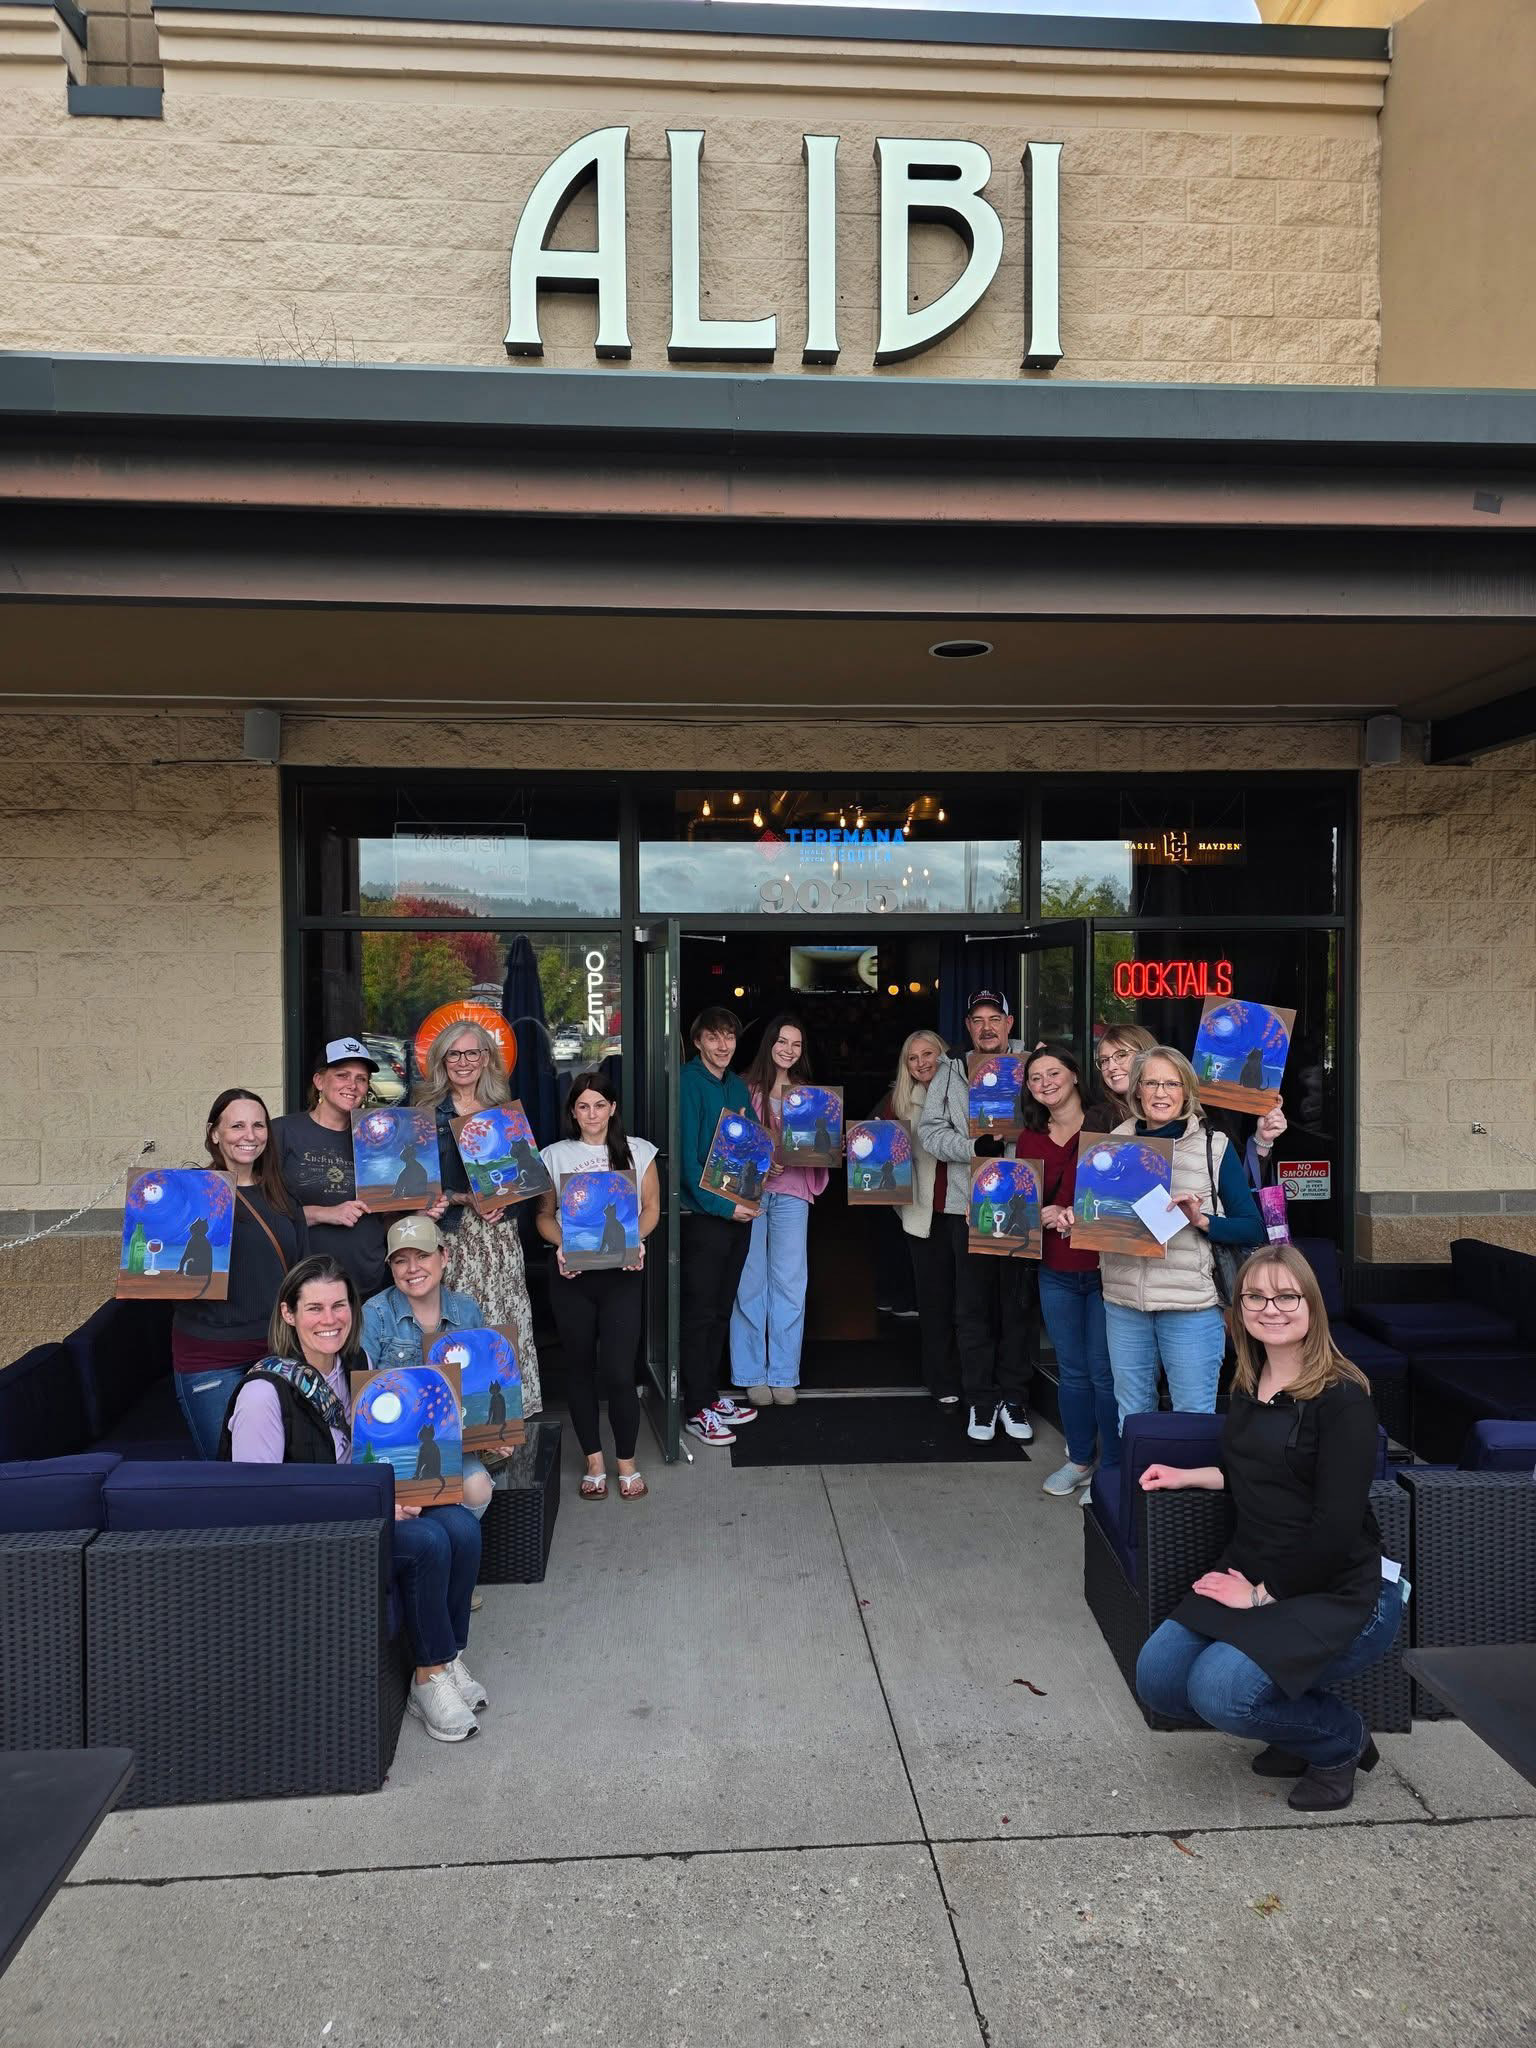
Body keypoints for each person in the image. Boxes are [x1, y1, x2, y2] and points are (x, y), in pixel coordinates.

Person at [1135, 1243, 1403, 1812]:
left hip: (1333, 1587)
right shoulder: (1248, 1382)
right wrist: (1191, 1476)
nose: (1270, 1308)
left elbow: (1336, 1525)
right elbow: (1255, 1469)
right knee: (1159, 1679)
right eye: (1255, 1297)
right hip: (1253, 1565)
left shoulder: (1344, 1400)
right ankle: (1292, 1726)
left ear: (1312, 1305)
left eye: (1286, 1296)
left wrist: (1261, 1595)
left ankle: (1339, 1741)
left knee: (1219, 1692)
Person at [219, 1255, 486, 1745]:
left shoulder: (355, 1366)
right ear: (289, 1314)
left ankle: (448, 1657)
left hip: (364, 1507)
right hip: (310, 1532)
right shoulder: (264, 1394)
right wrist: (375, 1506)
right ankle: (427, 1678)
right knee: (428, 1542)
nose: (330, 1319)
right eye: (314, 1308)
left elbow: (379, 1447)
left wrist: (406, 1489)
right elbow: (256, 1502)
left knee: (463, 1528)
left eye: (339, 1305)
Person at [1099, 1046, 1266, 1421]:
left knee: (1193, 1418)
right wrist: (1077, 1220)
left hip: (1191, 1307)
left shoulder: (1213, 1147)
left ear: (1187, 1090)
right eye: (1151, 1083)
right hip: (1125, 1305)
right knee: (1132, 1417)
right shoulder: (1111, 1145)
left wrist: (1202, 1220)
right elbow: (1100, 1216)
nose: (1161, 1093)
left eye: (1171, 1084)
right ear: (1137, 1090)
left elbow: (1252, 1226)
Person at [535, 1071, 660, 1499]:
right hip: (572, 1276)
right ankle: (593, 1460)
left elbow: (651, 1208)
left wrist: (636, 1240)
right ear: (573, 1111)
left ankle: (626, 1460)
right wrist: (563, 1246)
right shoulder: (554, 1155)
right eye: (583, 1106)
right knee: (579, 1368)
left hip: (622, 1275)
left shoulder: (639, 1151)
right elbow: (543, 1216)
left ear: (613, 1108)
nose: (592, 1114)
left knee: (620, 1372)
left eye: (600, 1105)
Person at [917, 990, 1034, 1444]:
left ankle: (1014, 1396)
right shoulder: (950, 1070)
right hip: (965, 1207)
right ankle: (981, 1400)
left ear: (1009, 1022)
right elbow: (929, 1132)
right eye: (978, 1019)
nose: (987, 1027)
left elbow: (1050, 1122)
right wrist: (973, 1148)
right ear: (968, 1026)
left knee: (1016, 1307)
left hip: (1020, 1202)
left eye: (995, 1018)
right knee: (972, 1309)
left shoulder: (1030, 1065)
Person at [173, 1088, 311, 1458]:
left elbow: (301, 1273)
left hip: (278, 1353)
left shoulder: (282, 1195)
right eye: (237, 1126)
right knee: (231, 1470)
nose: (249, 1135)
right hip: (211, 1360)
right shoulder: (191, 1194)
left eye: (258, 1125)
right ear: (214, 1133)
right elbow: (164, 1272)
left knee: (285, 1462)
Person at [414, 1018, 542, 1417]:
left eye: (472, 1052)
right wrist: (460, 1198)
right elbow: (416, 1187)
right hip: (453, 1239)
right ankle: (462, 1422)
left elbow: (524, 1179)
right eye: (454, 1054)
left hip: (499, 1239)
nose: (464, 1061)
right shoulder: (426, 1115)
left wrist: (508, 1201)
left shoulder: (504, 1112)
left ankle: (504, 1425)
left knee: (504, 1324)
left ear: (486, 1058)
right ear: (442, 1061)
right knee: (458, 1331)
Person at [1017, 1046, 1120, 1498]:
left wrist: (1076, 1212)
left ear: (1075, 1075)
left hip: (1105, 1270)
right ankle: (1080, 1459)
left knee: (1104, 1372)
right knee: (1073, 1371)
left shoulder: (1111, 1126)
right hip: (1055, 1270)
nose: (1045, 1083)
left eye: (1054, 1073)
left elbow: (1126, 1194)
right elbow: (1023, 1204)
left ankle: (1112, 1471)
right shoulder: (1030, 1138)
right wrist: (1022, 1212)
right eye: (1035, 1078)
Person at [359, 1215, 495, 1519]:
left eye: (422, 1255)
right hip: (393, 1448)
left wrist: (494, 1434)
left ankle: (450, 1531)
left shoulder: (467, 1309)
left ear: (444, 1256)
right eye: (400, 1260)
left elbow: (482, 1384)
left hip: (453, 1444)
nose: (412, 1268)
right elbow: (360, 1396)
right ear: (391, 1267)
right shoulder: (374, 1314)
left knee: (478, 1487)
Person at [729, 1014, 828, 1408]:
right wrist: (760, 1161)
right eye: (783, 1041)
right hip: (750, 1195)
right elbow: (729, 1143)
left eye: (796, 1044)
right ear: (769, 1043)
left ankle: (784, 1373)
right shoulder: (741, 1088)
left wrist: (830, 1145)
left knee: (790, 1281)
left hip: (792, 1192)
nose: (789, 1050)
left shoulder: (810, 1095)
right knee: (749, 1280)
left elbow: (819, 1146)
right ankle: (751, 1373)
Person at [676, 1005, 761, 1447]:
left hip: (738, 1215)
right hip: (705, 1219)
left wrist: (765, 1168)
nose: (723, 1044)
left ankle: (709, 1395)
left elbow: (750, 1148)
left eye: (729, 1036)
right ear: (698, 1042)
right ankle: (695, 1408)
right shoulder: (688, 1083)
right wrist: (726, 1209)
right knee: (699, 1315)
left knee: (721, 1310)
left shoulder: (737, 1085)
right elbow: (688, 1166)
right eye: (713, 1037)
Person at [273, 1038, 399, 1304]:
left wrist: (420, 1207)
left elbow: (390, 1208)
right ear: (319, 1081)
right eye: (342, 1075)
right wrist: (325, 1213)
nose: (352, 1085)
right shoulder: (282, 1132)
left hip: (370, 1282)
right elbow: (262, 1210)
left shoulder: (378, 1137)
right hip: (307, 1283)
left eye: (361, 1079)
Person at [883, 1032, 954, 1390]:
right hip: (921, 1213)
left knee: (967, 1303)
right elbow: (875, 1142)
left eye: (929, 1054)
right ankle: (941, 1382)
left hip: (961, 1211)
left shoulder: (963, 1093)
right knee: (933, 1302)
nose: (922, 1063)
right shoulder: (898, 1101)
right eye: (913, 1058)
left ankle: (972, 1380)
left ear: (944, 1055)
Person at [1091, 1023, 1157, 1128]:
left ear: (1147, 1055)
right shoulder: (1098, 1118)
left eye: (1121, 1055)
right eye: (1104, 1060)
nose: (1111, 1067)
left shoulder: (1175, 1108)